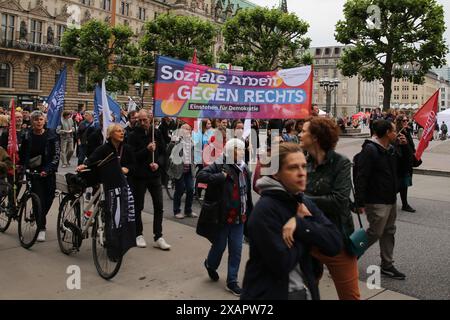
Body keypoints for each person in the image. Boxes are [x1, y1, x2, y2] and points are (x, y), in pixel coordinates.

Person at [241, 143, 342, 300]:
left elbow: (335, 243)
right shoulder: (264, 211)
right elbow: (283, 263)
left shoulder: (303, 201)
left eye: (303, 166)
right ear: (276, 174)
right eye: (293, 167)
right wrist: (306, 231)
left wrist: (300, 224)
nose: (302, 173)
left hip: (305, 291)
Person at [299, 117, 359, 300]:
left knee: (350, 296)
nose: (300, 134)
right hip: (309, 239)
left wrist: (304, 201)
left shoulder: (341, 163)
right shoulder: (303, 162)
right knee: (307, 293)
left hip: (338, 238)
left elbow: (339, 201)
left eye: (304, 131)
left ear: (316, 137)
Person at [197, 138, 253, 296]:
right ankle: (210, 264)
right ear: (230, 151)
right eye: (238, 149)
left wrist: (249, 213)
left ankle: (232, 281)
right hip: (223, 216)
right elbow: (201, 175)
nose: (242, 152)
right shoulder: (220, 164)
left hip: (239, 217)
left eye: (243, 149)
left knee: (236, 250)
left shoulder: (244, 168)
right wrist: (219, 177)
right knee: (219, 246)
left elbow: (247, 194)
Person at [354, 119, 409, 280]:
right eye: (393, 130)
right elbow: (361, 176)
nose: (396, 133)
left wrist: (404, 147)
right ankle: (347, 257)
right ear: (386, 133)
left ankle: (387, 265)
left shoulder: (390, 149)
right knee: (375, 232)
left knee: (389, 231)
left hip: (390, 198)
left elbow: (406, 167)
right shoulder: (370, 150)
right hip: (376, 199)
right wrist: (359, 201)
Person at [77, 124, 136, 259]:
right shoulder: (104, 148)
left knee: (114, 216)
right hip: (107, 183)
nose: (121, 133)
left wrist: (127, 169)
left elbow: (133, 165)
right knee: (109, 214)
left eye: (122, 131)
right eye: (118, 131)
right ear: (110, 134)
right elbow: (92, 159)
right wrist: (84, 165)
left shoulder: (126, 149)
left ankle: (114, 246)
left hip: (120, 186)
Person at [128, 109, 170, 250]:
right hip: (139, 177)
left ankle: (158, 236)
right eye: (139, 120)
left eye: (144, 120)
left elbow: (164, 153)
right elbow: (131, 157)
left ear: (150, 119)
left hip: (154, 176)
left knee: (159, 205)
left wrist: (158, 163)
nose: (142, 123)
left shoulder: (156, 133)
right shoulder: (133, 135)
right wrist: (146, 149)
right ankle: (138, 234)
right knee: (138, 206)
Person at [19, 110, 60, 242]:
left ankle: (38, 216)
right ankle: (41, 227)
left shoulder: (52, 135)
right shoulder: (27, 135)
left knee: (49, 198)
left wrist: (47, 170)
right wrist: (24, 168)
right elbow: (23, 154)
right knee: (39, 199)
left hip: (48, 172)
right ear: (31, 121)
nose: (38, 122)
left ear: (45, 121)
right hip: (34, 173)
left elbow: (56, 156)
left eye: (41, 119)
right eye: (35, 120)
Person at [167, 123, 197, 219]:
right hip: (179, 170)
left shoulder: (192, 142)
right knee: (179, 190)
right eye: (185, 129)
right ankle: (177, 210)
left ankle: (188, 210)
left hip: (188, 170)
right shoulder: (175, 141)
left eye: (189, 129)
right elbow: (169, 153)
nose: (188, 131)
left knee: (191, 189)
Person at [395, 115, 417, 212]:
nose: (406, 122)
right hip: (401, 163)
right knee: (400, 185)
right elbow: (398, 149)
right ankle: (383, 199)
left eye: (407, 120)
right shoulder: (398, 134)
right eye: (404, 120)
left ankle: (404, 204)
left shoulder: (406, 132)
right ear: (399, 122)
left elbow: (411, 147)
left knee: (404, 184)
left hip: (407, 162)